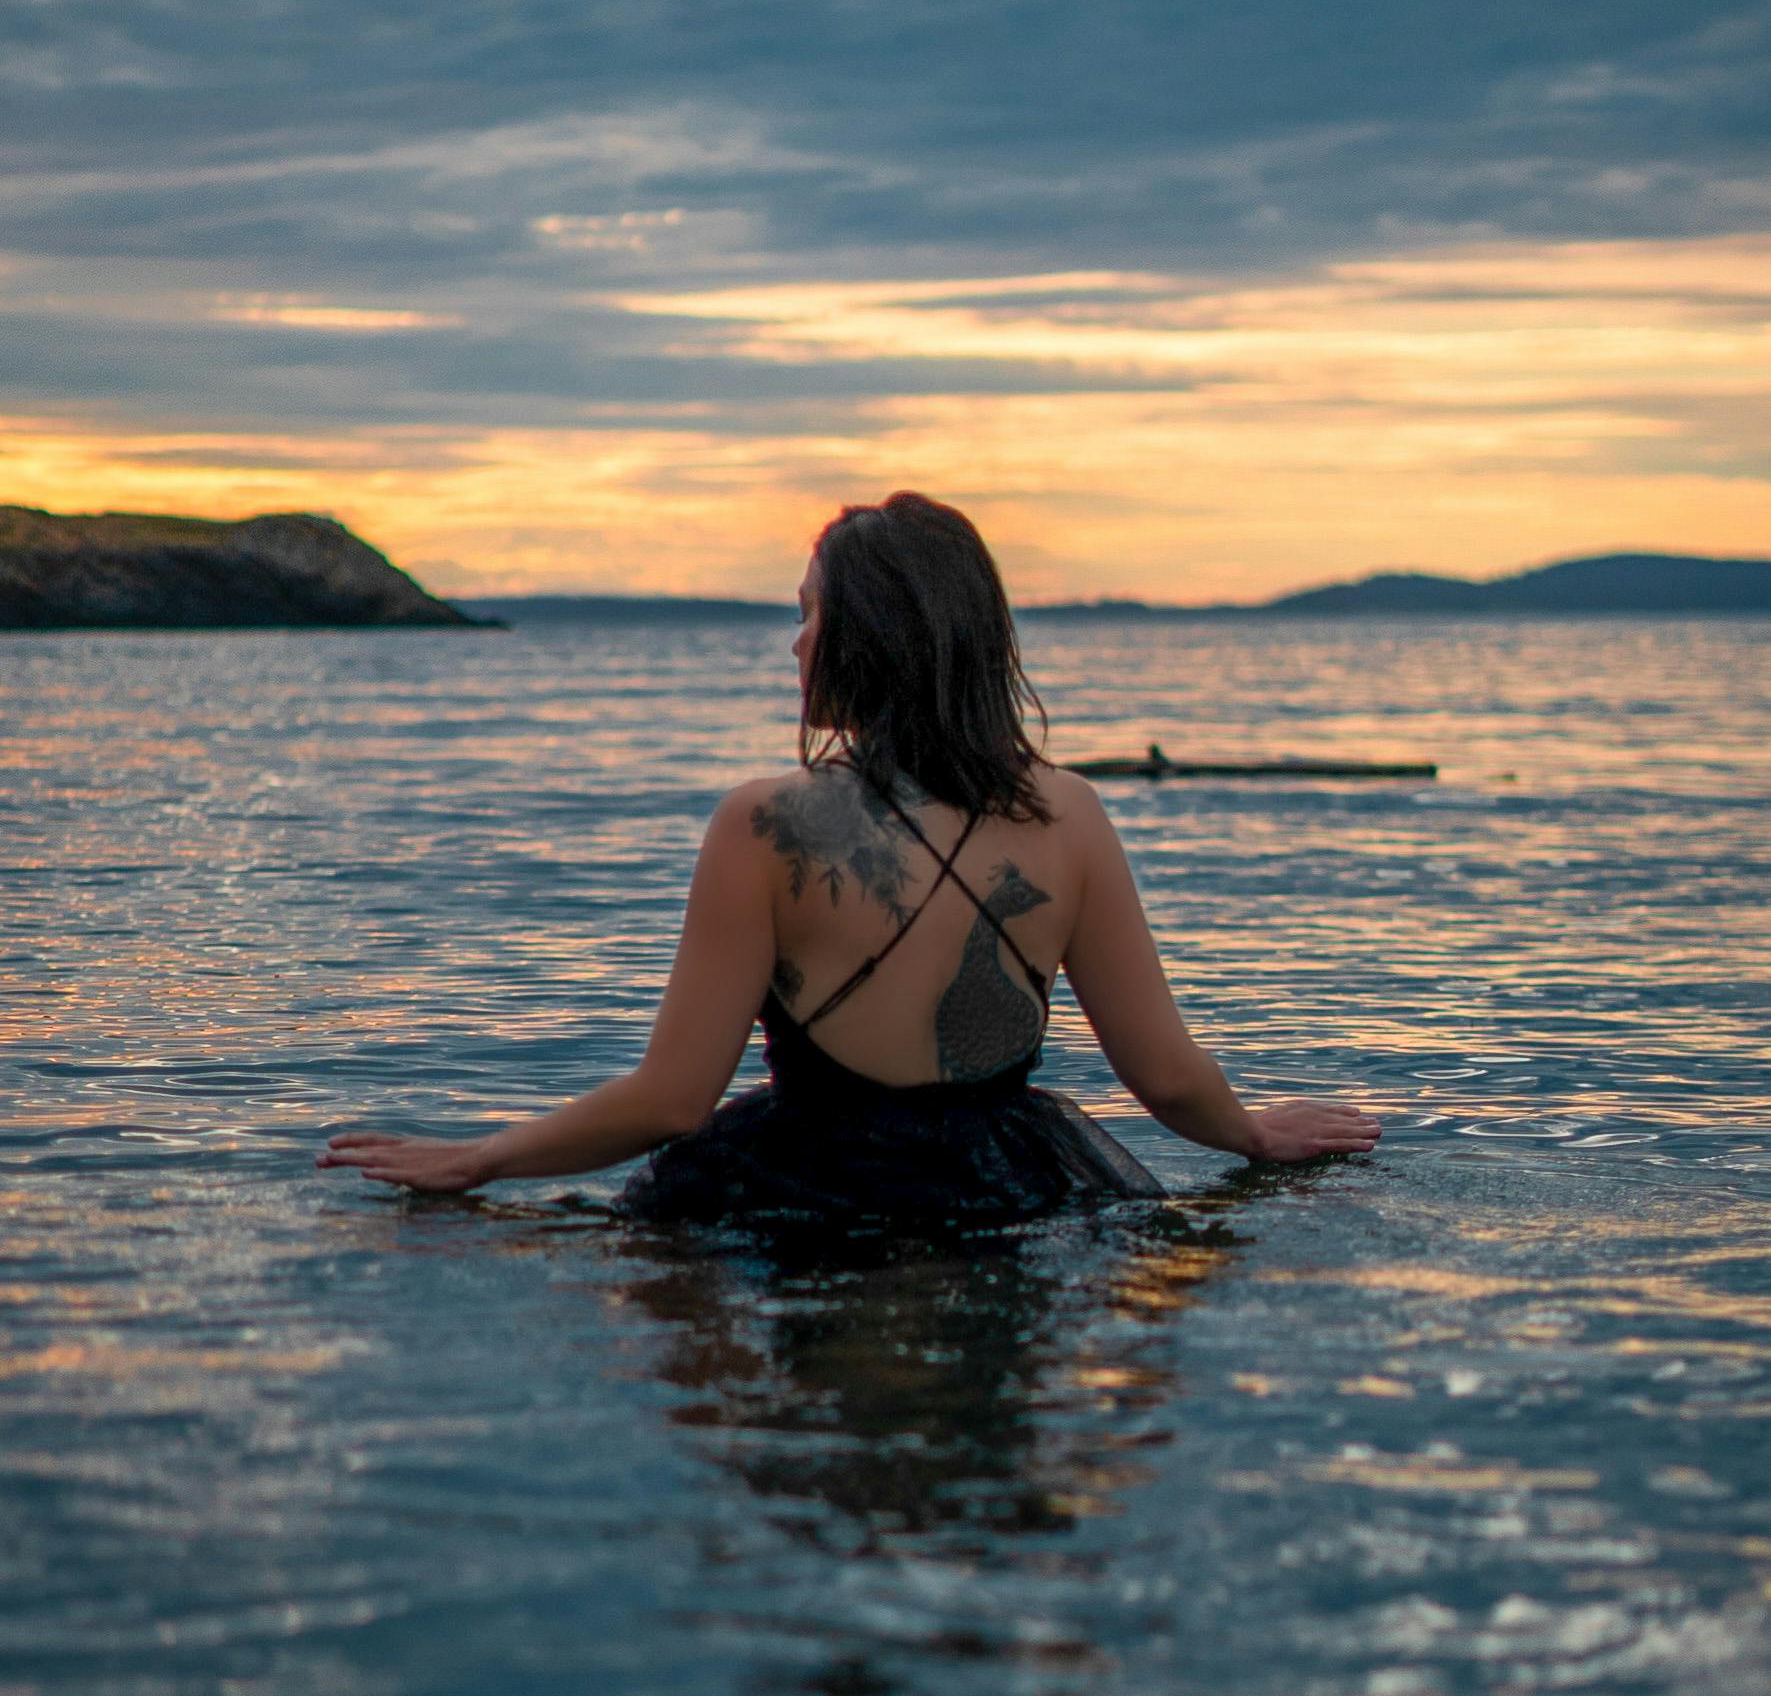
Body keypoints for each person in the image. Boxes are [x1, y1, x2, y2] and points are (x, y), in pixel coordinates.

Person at [319, 494, 1380, 1223]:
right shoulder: (1072, 816)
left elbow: (671, 1103)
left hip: (800, 1191)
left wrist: (483, 1156)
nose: (794, 644)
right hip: (1013, 1192)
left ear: (864, 633)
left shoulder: (761, 825)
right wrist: (1250, 1135)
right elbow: (1163, 1075)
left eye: (808, 614)